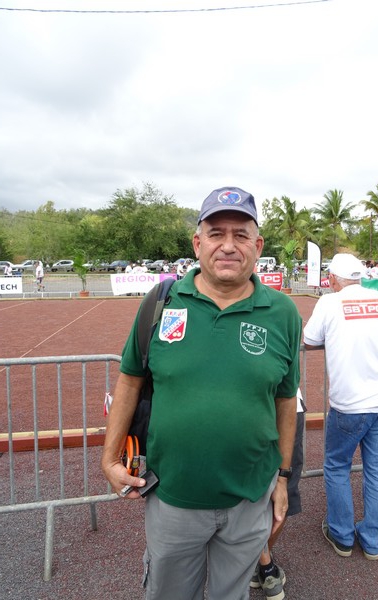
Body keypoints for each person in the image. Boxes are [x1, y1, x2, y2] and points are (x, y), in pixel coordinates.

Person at [101, 186, 301, 600]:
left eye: (241, 234)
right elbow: (130, 378)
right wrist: (108, 457)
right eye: (216, 233)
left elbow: (285, 399)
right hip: (173, 497)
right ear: (197, 243)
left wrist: (282, 478)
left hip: (249, 498)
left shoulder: (283, 313)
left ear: (257, 245)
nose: (228, 245)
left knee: (232, 595)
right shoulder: (162, 301)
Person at [303, 253, 378, 561]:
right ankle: (372, 540)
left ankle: (342, 536)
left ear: (332, 279)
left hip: (349, 404)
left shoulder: (329, 303)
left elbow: (309, 338)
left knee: (336, 466)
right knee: (377, 469)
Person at [250, 388, 305, 600]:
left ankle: (261, 563)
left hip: (250, 405)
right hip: (285, 406)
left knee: (252, 488)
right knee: (283, 489)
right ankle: (264, 565)